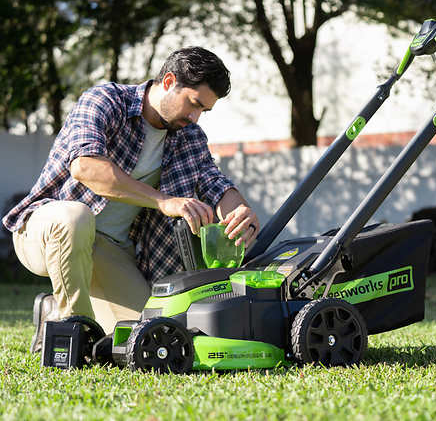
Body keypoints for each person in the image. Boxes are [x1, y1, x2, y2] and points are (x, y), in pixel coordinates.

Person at [2, 46, 260, 352]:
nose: (195, 117)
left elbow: (215, 183)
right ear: (168, 81)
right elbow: (85, 166)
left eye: (204, 111)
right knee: (75, 216)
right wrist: (164, 200)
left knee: (149, 335)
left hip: (109, 247)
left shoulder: (188, 136)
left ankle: (52, 309)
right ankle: (72, 329)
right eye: (193, 104)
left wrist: (239, 210)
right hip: (45, 231)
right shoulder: (105, 101)